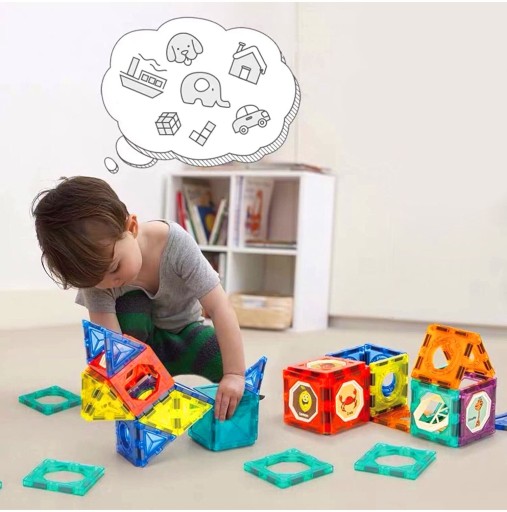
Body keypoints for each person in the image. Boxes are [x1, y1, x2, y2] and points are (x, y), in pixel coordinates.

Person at [31, 176, 245, 420]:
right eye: (95, 282)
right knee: (131, 305)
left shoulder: (176, 243)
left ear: (131, 227)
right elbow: (112, 345)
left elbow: (219, 306)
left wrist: (234, 374)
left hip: (184, 333)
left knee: (223, 358)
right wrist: (127, 385)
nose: (108, 283)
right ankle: (146, 382)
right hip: (137, 352)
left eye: (114, 268)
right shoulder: (95, 277)